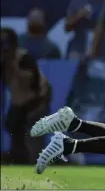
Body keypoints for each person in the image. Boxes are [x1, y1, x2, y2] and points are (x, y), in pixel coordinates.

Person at [1, 28, 52, 164]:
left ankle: (34, 161)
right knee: (12, 125)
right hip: (19, 104)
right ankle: (18, 157)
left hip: (37, 100)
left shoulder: (24, 59)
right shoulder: (3, 62)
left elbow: (30, 84)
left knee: (33, 133)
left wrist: (14, 67)